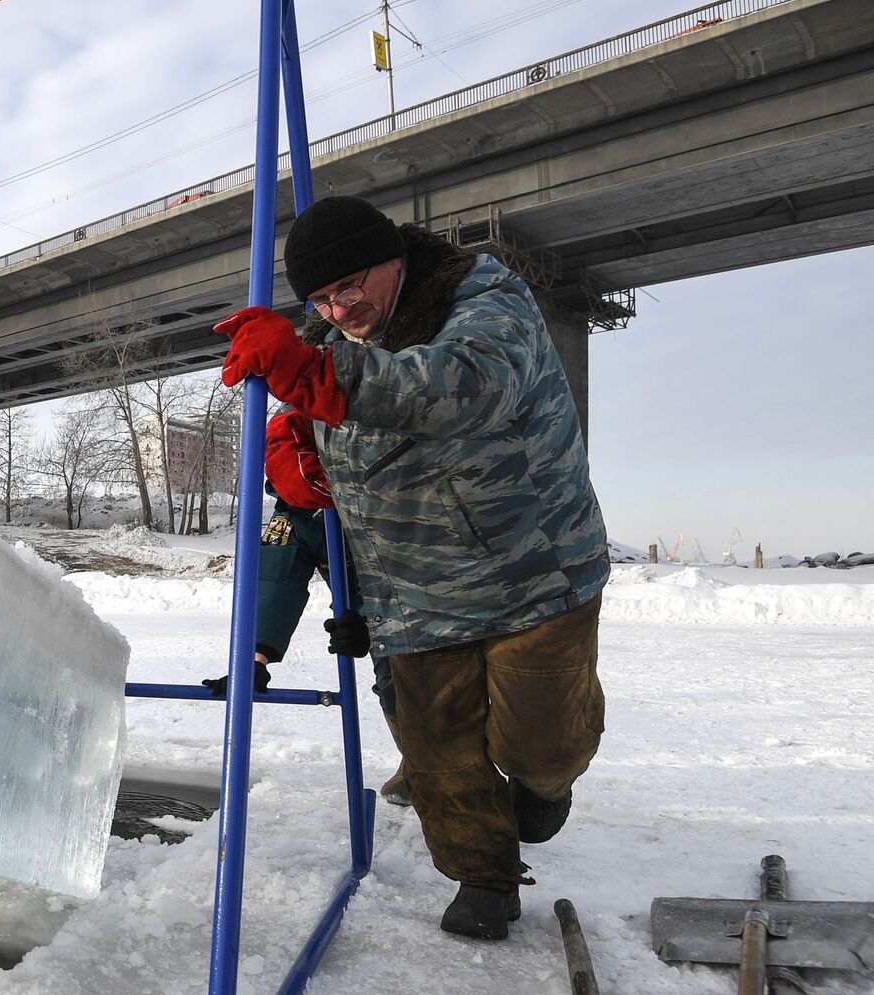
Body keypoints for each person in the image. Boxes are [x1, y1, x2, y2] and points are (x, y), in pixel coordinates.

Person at [218, 195, 609, 941]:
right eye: (323, 300)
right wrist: (298, 453)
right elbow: (320, 457)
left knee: (540, 743)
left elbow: (465, 385)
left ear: (394, 256)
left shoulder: (486, 299)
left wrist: (316, 378)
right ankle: (483, 878)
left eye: (352, 285)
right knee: (436, 752)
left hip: (532, 575)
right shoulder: (329, 340)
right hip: (413, 591)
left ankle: (545, 785)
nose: (340, 308)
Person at [202, 408, 408, 806]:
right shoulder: (295, 512)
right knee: (395, 682)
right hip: (379, 615)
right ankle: (422, 763)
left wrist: (374, 619)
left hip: (432, 595)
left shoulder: (386, 480)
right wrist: (255, 656)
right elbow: (276, 578)